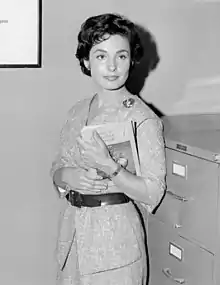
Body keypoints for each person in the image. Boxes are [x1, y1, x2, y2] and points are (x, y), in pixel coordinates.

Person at [51, 13, 166, 285]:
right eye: (101, 56)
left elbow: (153, 192)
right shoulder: (77, 111)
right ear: (85, 61)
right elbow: (57, 167)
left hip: (116, 243)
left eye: (121, 56)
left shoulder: (142, 118)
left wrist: (110, 168)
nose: (112, 66)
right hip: (74, 237)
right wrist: (67, 176)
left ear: (132, 60)